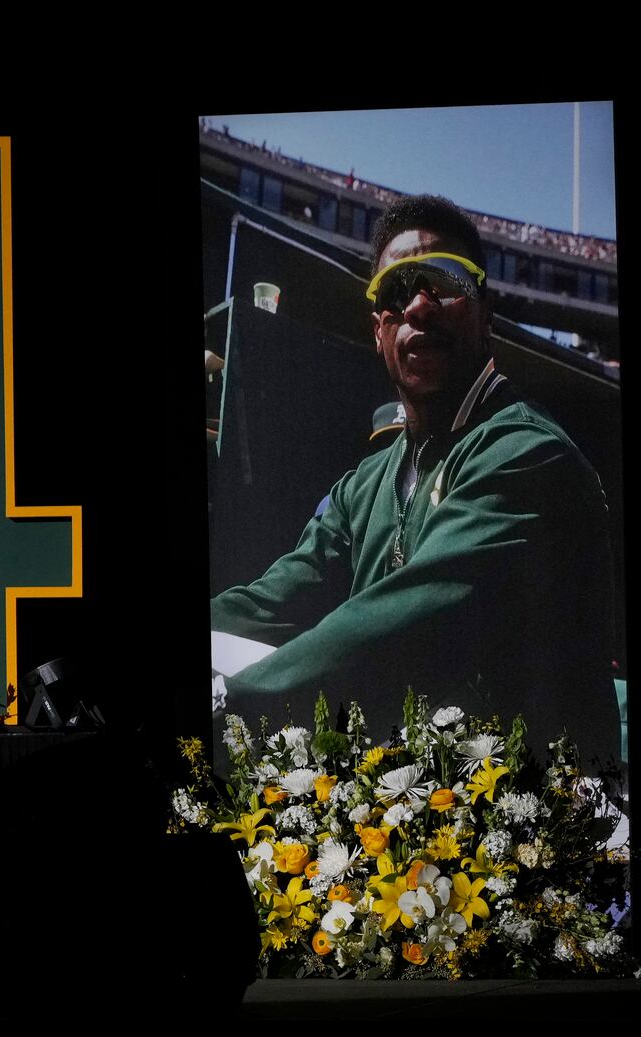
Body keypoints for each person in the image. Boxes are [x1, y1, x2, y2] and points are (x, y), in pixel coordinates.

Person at [211, 195, 618, 761]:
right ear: (379, 329)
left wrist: (225, 703)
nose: (420, 307)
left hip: (537, 822)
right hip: (402, 805)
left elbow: (402, 638)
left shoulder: (527, 453)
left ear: (485, 313)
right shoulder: (366, 482)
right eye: (397, 292)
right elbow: (273, 600)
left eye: (445, 280)